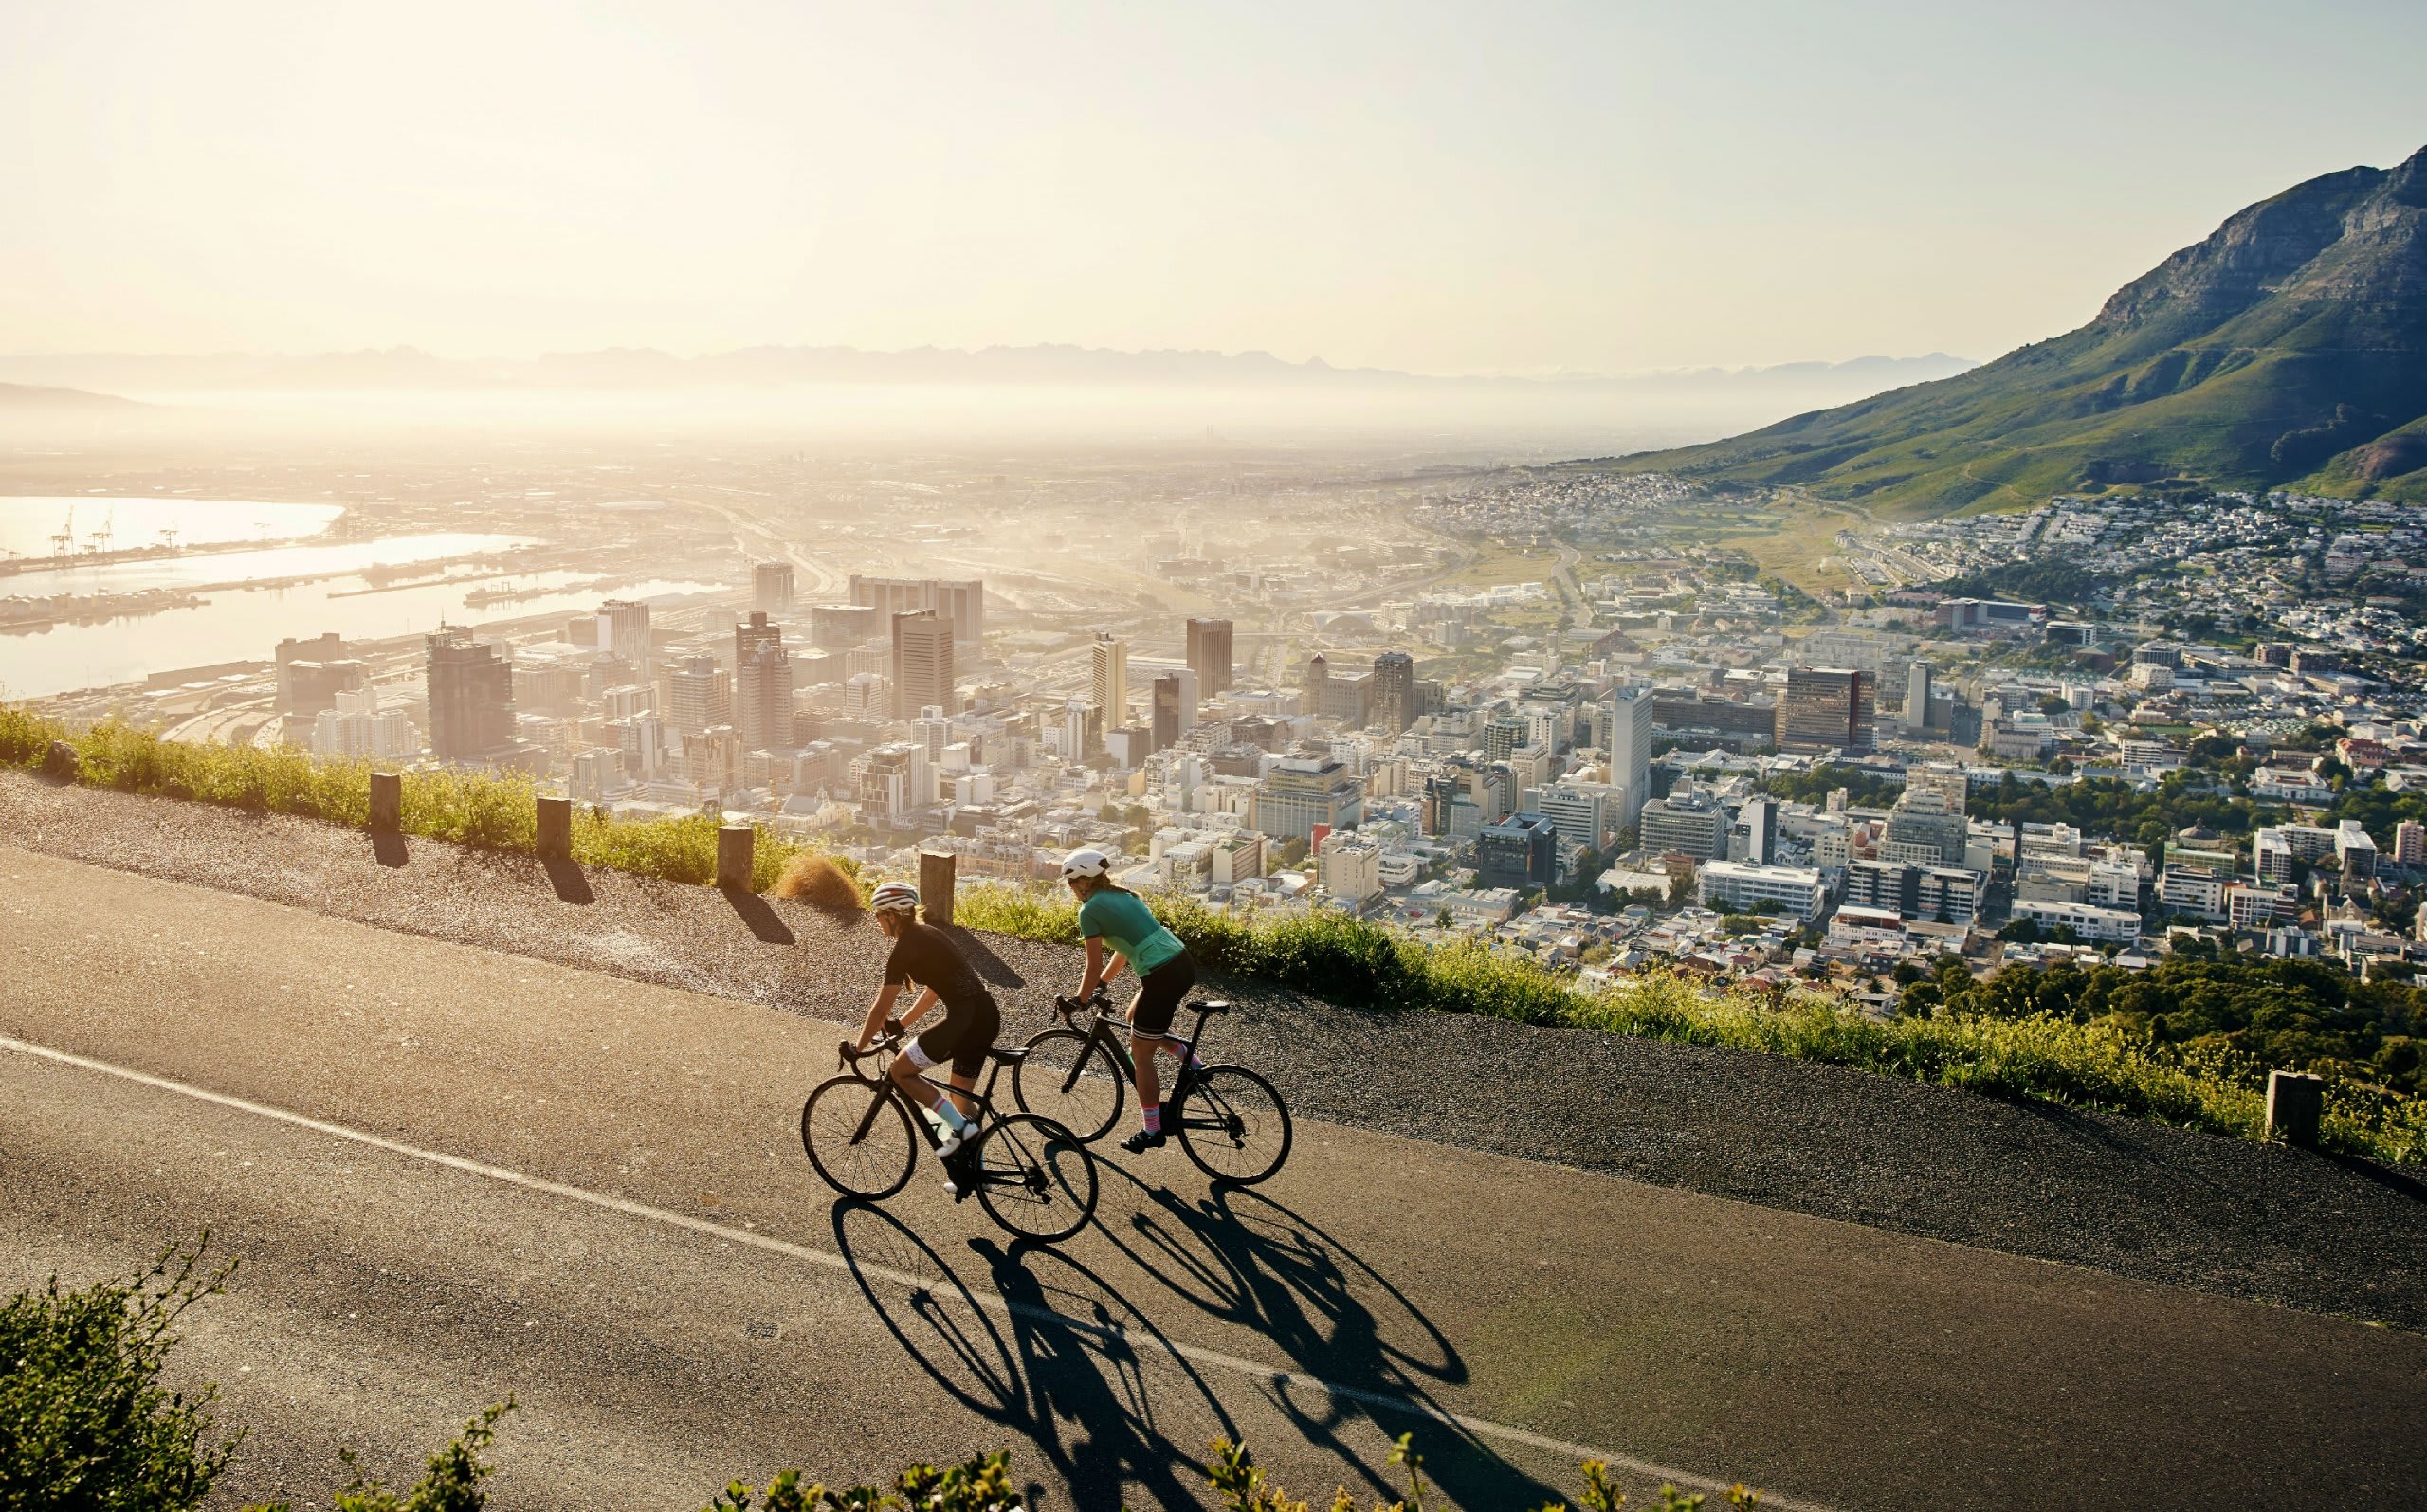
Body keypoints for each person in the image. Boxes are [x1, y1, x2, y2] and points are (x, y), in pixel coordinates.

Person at [852, 881, 999, 1174]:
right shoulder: (930, 934)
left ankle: (960, 1129)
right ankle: (973, 1172)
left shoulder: (905, 948)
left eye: (878, 914)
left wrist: (858, 1048)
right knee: (961, 1100)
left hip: (965, 1022)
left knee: (900, 1071)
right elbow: (933, 992)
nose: (876, 920)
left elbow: (881, 1007)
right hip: (985, 1016)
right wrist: (903, 1023)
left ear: (893, 915)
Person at [1060, 847, 1197, 1154]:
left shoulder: (1090, 910)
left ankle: (1152, 1130)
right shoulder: (1125, 896)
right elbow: (1123, 950)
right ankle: (1191, 1061)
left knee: (1141, 1052)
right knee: (1136, 1019)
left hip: (1161, 973)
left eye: (1071, 884)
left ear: (1082, 882)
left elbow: (1092, 965)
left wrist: (1080, 1001)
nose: (1071, 890)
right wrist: (1103, 985)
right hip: (1180, 961)